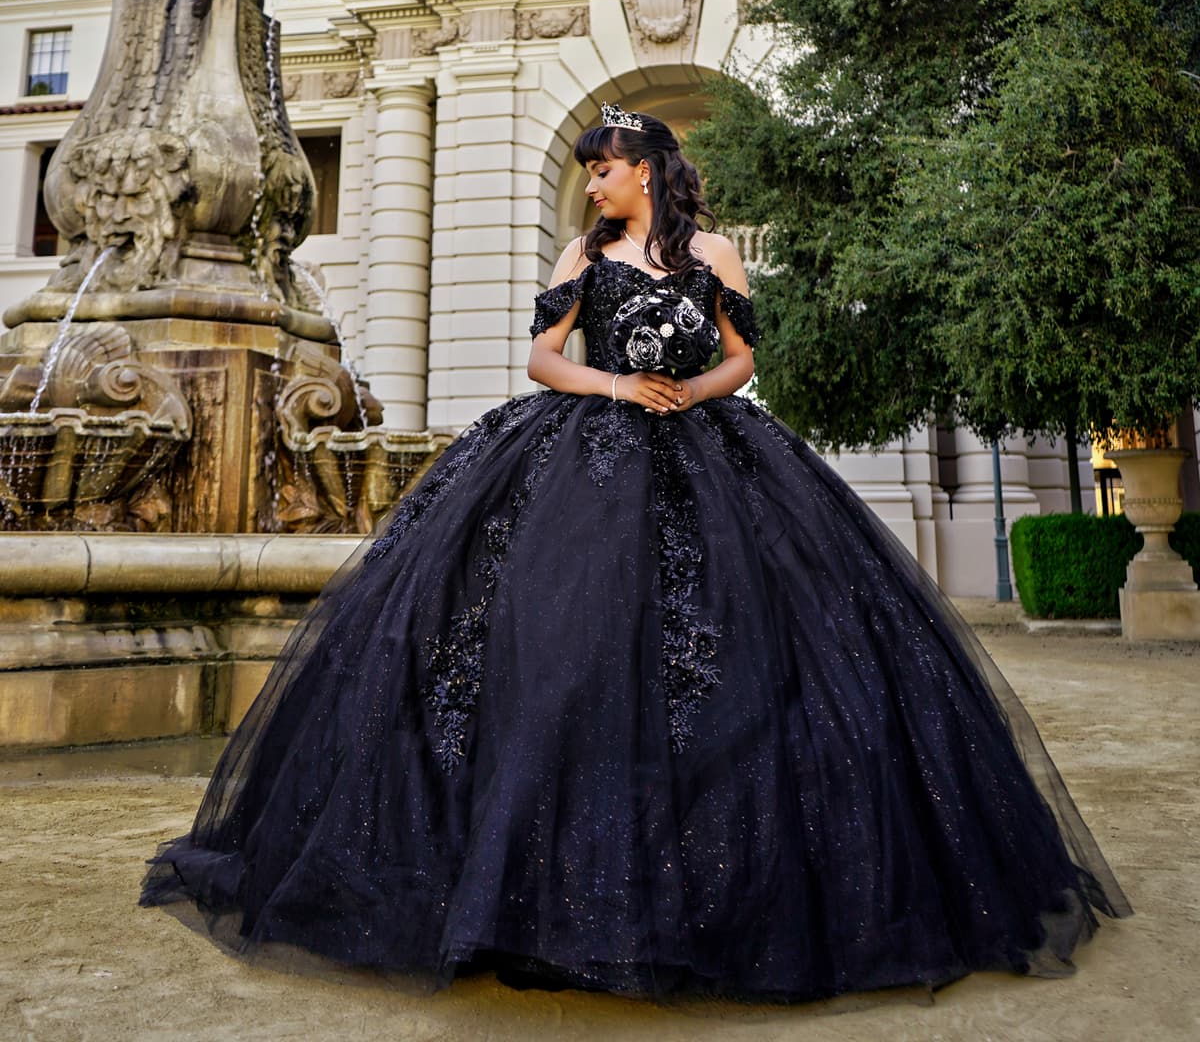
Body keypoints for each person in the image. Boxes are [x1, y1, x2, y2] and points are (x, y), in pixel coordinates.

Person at [141, 102, 1130, 1003]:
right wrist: (620, 391)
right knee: (561, 650)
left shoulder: (719, 255)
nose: (593, 181)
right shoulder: (584, 250)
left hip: (709, 451)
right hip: (586, 453)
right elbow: (543, 360)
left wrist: (693, 394)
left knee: (745, 659)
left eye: (603, 167)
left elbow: (741, 357)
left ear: (646, 170)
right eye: (587, 169)